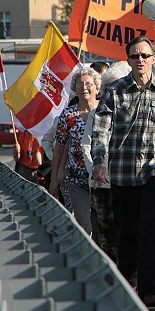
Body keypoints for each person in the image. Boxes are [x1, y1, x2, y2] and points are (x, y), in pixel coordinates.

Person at [91, 36, 155, 308]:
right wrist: (100, 162)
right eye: (134, 56)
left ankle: (149, 289)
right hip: (123, 172)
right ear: (128, 60)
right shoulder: (115, 91)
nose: (139, 60)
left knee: (151, 230)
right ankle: (128, 284)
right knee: (126, 231)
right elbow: (101, 130)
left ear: (154, 58)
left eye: (144, 55)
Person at [81, 61, 131, 264]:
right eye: (109, 86)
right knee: (105, 233)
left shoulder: (131, 111)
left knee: (127, 231)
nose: (113, 90)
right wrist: (96, 169)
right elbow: (87, 144)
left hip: (127, 180)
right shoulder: (96, 113)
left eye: (117, 85)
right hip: (102, 183)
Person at [50, 68, 102, 235]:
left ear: (97, 87)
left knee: (102, 224)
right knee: (84, 223)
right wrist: (55, 178)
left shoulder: (105, 112)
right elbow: (59, 148)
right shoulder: (68, 115)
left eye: (88, 84)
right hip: (76, 177)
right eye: (80, 84)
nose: (84, 87)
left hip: (101, 177)